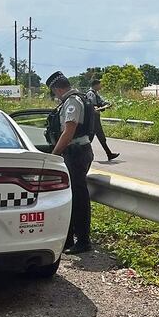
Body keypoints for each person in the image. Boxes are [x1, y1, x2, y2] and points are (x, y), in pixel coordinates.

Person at [45, 71, 95, 255]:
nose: (55, 96)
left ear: (57, 89)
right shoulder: (78, 98)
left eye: (54, 92)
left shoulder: (72, 102)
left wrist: (54, 155)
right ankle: (69, 239)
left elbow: (68, 132)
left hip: (75, 153)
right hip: (78, 151)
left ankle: (83, 241)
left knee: (79, 199)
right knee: (72, 197)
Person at [85, 78, 120, 161]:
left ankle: (109, 154)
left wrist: (107, 104)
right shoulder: (90, 94)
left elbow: (101, 102)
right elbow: (92, 106)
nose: (100, 86)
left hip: (95, 118)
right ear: (95, 85)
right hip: (93, 118)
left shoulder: (95, 93)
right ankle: (84, 154)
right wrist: (100, 107)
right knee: (93, 138)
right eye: (99, 85)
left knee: (98, 137)